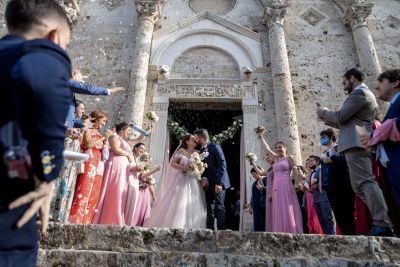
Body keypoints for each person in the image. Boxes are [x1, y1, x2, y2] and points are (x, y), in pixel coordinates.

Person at [0, 0, 72, 266]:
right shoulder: (38, 52)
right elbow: (39, 80)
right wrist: (48, 171)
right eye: (65, 45)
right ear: (54, 36)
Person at [317, 68, 394, 237]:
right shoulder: (360, 95)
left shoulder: (360, 93)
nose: (344, 86)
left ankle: (383, 223)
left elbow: (342, 116)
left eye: (345, 82)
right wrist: (326, 118)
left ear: (352, 78)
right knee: (359, 187)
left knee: (365, 182)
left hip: (356, 145)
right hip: (355, 142)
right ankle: (381, 220)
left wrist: (323, 112)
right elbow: (345, 123)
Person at [144, 134, 207, 229]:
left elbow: (198, 169)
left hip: (192, 181)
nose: (195, 140)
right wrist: (184, 167)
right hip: (180, 179)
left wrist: (200, 169)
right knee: (178, 201)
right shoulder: (182, 151)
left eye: (195, 139)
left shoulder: (196, 154)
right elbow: (172, 163)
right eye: (192, 139)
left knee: (191, 203)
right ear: (187, 141)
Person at [69, 110, 108, 224]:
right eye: (103, 120)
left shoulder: (100, 134)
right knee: (84, 188)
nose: (104, 124)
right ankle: (75, 219)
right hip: (89, 161)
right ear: (96, 118)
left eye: (105, 122)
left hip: (99, 163)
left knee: (94, 193)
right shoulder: (88, 130)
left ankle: (86, 220)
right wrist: (103, 137)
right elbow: (88, 144)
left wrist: (105, 142)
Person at [258, 135, 303, 234]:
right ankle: (280, 230)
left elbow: (295, 169)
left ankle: (291, 229)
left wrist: (297, 183)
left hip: (286, 183)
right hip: (276, 185)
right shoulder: (275, 159)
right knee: (278, 207)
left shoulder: (289, 158)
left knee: (287, 205)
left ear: (285, 148)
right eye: (277, 148)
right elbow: (267, 149)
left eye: (280, 147)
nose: (278, 149)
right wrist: (261, 137)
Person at [92, 122, 136, 225]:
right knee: (115, 189)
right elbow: (116, 149)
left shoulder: (124, 140)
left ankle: (117, 217)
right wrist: (128, 155)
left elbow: (139, 140)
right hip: (115, 165)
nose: (129, 132)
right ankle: (111, 218)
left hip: (122, 167)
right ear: (122, 130)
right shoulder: (114, 136)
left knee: (120, 190)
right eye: (128, 130)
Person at [319, 128, 355, 235]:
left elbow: (345, 163)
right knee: (337, 212)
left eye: (324, 137)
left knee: (347, 211)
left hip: (342, 184)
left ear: (331, 137)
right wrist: (322, 184)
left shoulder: (339, 148)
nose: (322, 139)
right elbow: (323, 170)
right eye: (321, 138)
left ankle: (352, 233)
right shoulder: (324, 153)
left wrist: (331, 160)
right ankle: (345, 234)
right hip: (330, 186)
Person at [194, 129, 231, 230]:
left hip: (219, 182)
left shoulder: (215, 147)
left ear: (203, 138)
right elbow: (203, 166)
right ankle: (209, 231)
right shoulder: (201, 150)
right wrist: (204, 178)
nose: (195, 140)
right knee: (209, 206)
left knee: (219, 207)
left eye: (197, 138)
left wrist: (219, 183)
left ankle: (221, 232)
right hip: (209, 183)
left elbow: (222, 165)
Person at [126, 151, 160, 227]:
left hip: (146, 192)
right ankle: (132, 225)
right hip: (139, 191)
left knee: (144, 210)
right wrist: (154, 170)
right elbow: (143, 176)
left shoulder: (148, 170)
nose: (147, 160)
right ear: (142, 159)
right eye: (145, 158)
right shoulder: (139, 166)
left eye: (148, 159)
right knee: (137, 209)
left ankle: (142, 226)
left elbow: (150, 184)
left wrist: (153, 195)